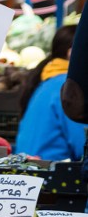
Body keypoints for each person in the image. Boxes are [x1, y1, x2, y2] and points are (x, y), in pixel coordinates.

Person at [15, 24, 84, 160]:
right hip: (53, 174)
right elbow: (82, 146)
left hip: (30, 172)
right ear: (71, 53)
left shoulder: (48, 81)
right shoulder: (69, 86)